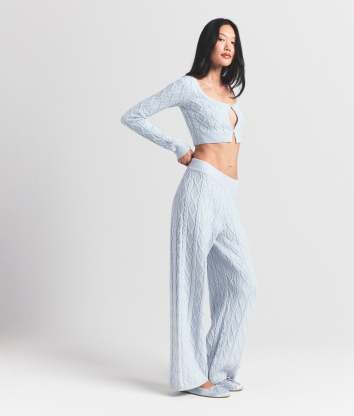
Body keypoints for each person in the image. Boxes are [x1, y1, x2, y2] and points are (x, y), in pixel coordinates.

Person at [120, 18, 257, 399]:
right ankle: (192, 376)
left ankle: (218, 368)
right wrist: (177, 146)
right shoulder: (188, 87)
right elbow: (133, 115)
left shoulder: (229, 91)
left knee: (242, 282)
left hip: (226, 195)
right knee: (192, 284)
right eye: (221, 39)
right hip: (199, 189)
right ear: (208, 44)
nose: (227, 46)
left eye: (233, 42)